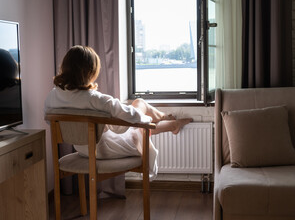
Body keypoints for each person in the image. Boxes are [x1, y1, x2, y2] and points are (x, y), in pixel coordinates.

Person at [44, 45, 192, 178]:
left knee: (137, 125)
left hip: (83, 150)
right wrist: (146, 120)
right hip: (106, 150)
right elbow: (127, 121)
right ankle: (163, 118)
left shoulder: (52, 96)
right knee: (139, 108)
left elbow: (50, 122)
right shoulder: (95, 99)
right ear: (90, 71)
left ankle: (171, 123)